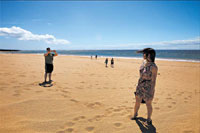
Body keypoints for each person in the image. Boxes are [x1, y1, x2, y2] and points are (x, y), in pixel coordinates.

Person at [131, 48, 158, 125]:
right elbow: (141, 74)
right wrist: (138, 84)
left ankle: (149, 119)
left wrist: (151, 91)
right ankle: (135, 114)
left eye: (144, 53)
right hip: (140, 86)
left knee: (148, 103)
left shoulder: (154, 67)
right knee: (137, 101)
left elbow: (153, 80)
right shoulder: (143, 63)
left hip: (148, 87)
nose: (143, 55)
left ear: (149, 55)